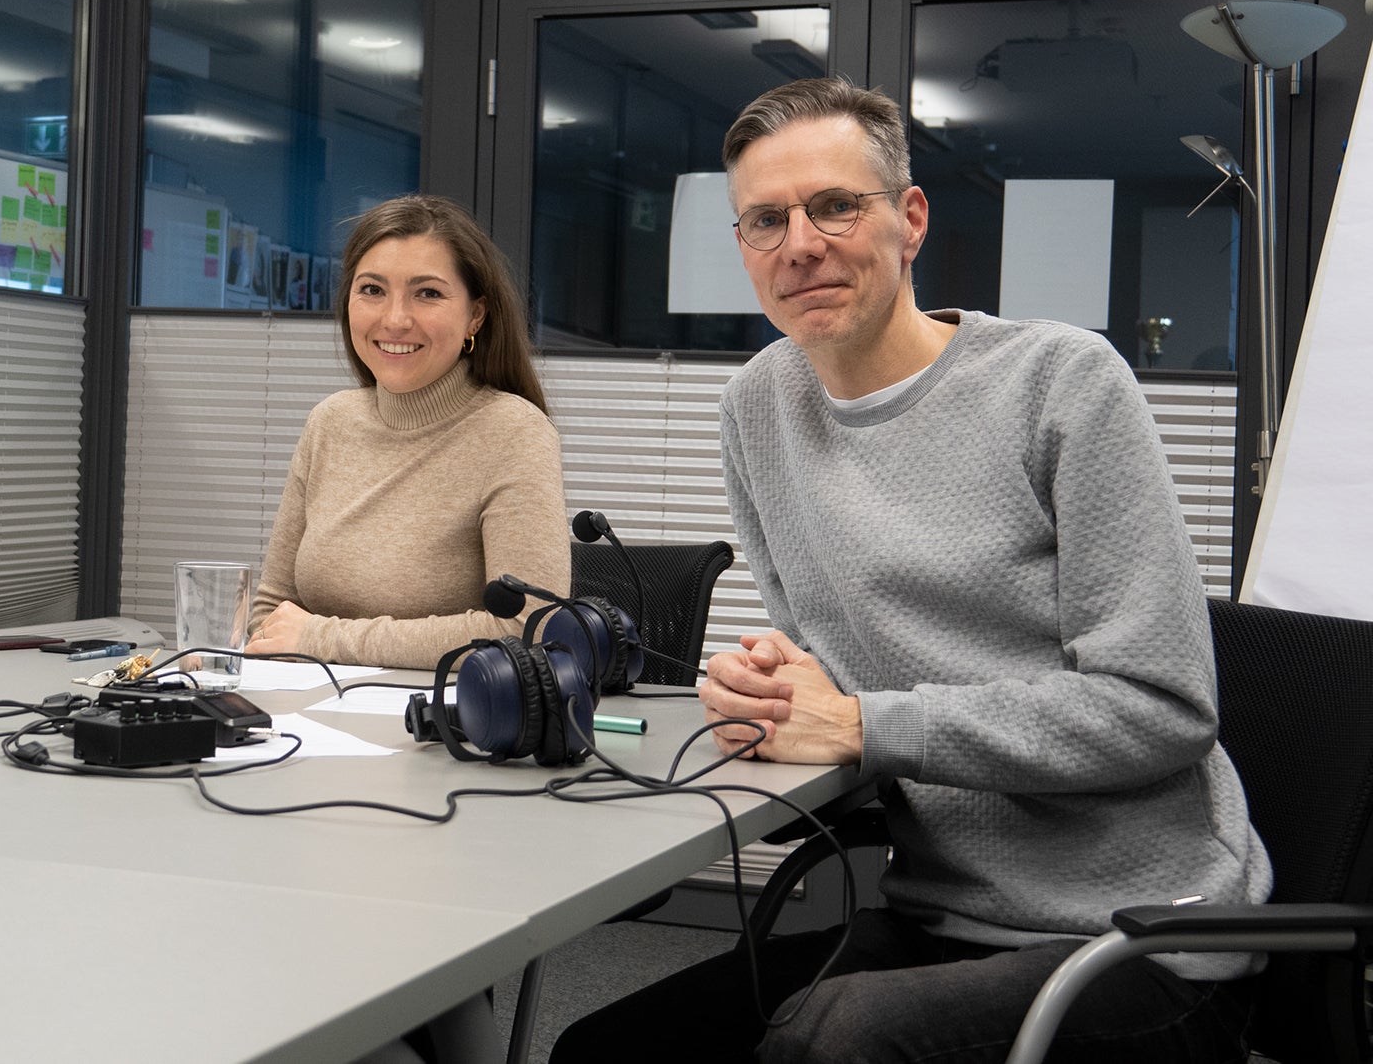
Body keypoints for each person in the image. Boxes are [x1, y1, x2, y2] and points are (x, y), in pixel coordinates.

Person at [551, 78, 1268, 1063]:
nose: (799, 243)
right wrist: (774, 687)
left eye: (834, 205)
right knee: (608, 1049)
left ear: (909, 220)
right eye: (766, 220)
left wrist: (857, 721)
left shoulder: (1057, 382)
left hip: (1138, 936)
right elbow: (832, 661)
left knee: (831, 1043)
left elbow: (1159, 708)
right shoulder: (755, 407)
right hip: (934, 913)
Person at [244, 194, 568, 669]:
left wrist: (323, 639)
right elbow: (271, 614)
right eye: (372, 290)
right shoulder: (329, 422)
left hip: (448, 726)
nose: (395, 319)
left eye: (428, 293)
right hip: (315, 720)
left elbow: (530, 629)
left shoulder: (512, 431)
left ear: (475, 315)